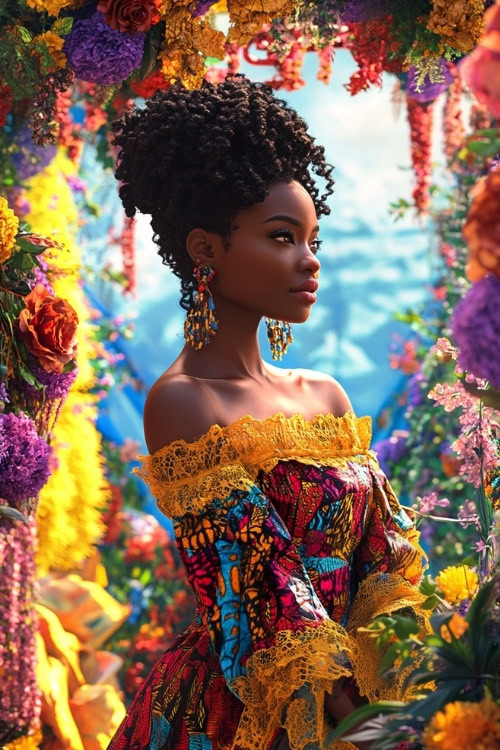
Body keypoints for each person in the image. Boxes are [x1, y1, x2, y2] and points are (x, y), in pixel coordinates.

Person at [107, 75, 428, 750]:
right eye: (283, 237)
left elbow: (388, 557)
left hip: (366, 705)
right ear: (205, 251)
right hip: (244, 712)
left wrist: (407, 681)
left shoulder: (327, 396)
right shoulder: (183, 401)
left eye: (313, 239)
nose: (309, 262)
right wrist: (359, 721)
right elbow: (263, 589)